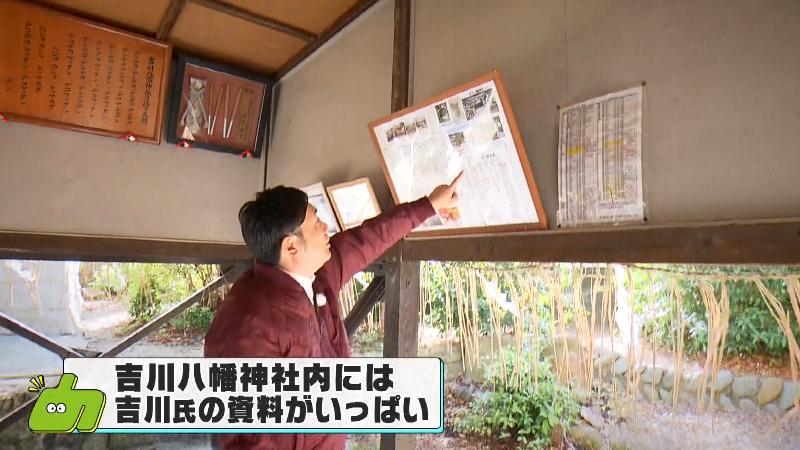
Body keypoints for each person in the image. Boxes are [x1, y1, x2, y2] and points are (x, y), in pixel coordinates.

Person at [204, 173, 463, 450]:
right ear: (292, 246)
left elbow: (369, 238)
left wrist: (429, 205)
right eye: (317, 222)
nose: (326, 227)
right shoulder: (247, 322)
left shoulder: (316, 276)